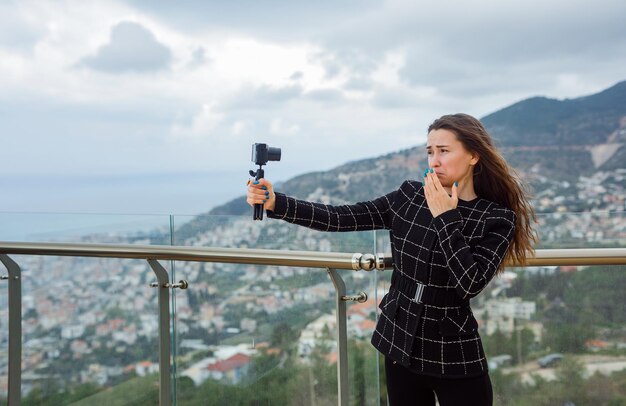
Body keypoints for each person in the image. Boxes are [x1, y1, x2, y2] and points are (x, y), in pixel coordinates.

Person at [246, 113, 536, 406]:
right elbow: (340, 218)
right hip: (400, 341)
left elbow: (470, 284)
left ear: (473, 155)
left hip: (453, 350)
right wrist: (276, 203)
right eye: (430, 151)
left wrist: (446, 217)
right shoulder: (409, 196)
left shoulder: (496, 218)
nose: (434, 161)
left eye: (444, 151)